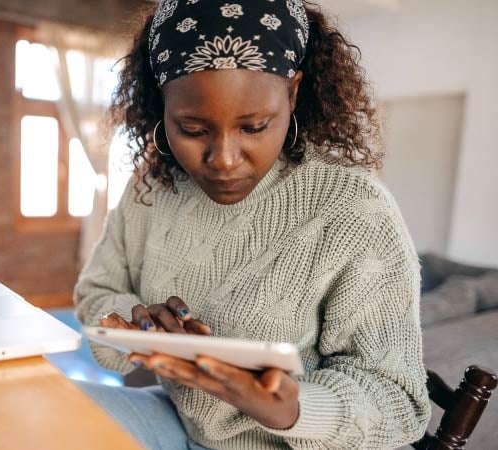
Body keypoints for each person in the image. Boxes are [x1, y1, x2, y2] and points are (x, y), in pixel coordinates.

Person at [73, 1, 431, 449]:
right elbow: (97, 290)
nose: (222, 159)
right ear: (162, 103)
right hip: (181, 425)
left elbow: (400, 403)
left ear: (293, 94)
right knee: (33, 412)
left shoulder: (353, 210)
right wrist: (134, 327)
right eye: (193, 129)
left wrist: (291, 408)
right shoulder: (154, 186)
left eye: (255, 126)